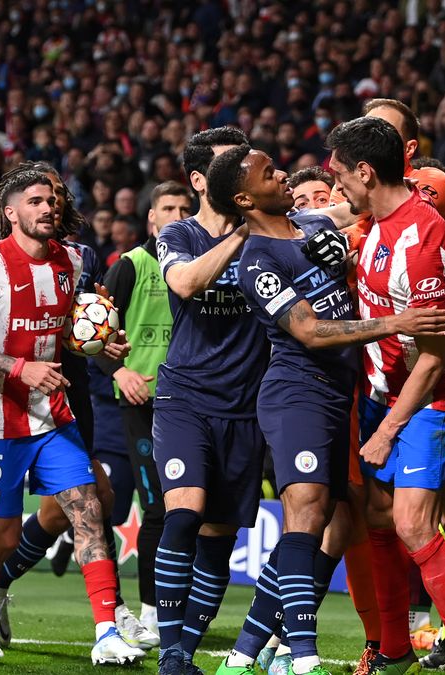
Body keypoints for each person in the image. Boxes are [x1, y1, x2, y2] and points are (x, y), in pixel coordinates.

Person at [206, 144, 445, 675]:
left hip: (349, 393)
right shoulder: (257, 260)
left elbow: (374, 220)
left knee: (324, 521)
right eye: (268, 172)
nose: (281, 175)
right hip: (299, 391)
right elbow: (309, 331)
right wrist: (395, 323)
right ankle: (303, 657)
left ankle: (243, 653)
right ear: (245, 197)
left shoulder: (311, 230)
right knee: (309, 514)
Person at [0, 167, 143, 666]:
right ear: (11, 213)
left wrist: (102, 348)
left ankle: (105, 629)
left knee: (89, 508)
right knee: (4, 537)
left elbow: (73, 334)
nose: (48, 207)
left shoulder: (73, 261)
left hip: (54, 418)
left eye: (51, 200)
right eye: (34, 201)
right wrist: (16, 366)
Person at [327, 116, 445, 675]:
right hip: (379, 393)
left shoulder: (420, 240)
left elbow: (431, 360)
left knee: (415, 525)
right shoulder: (375, 222)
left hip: (422, 404)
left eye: (341, 176)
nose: (338, 188)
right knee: (377, 521)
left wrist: (385, 430)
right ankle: (393, 648)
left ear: (366, 171)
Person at [150, 126, 268, 675]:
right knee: (184, 514)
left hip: (245, 407)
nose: (240, 176)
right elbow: (185, 284)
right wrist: (245, 234)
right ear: (200, 180)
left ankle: (187, 651)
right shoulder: (179, 233)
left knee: (219, 540)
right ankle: (171, 653)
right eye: (228, 168)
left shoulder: (270, 233)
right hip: (185, 398)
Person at [98, 180, 191, 635]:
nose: (176, 215)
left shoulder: (202, 266)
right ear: (151, 218)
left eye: (183, 208)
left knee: (188, 508)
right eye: (167, 208)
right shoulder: (130, 266)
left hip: (193, 402)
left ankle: (177, 605)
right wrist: (118, 371)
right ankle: (153, 613)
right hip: (143, 403)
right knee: (156, 509)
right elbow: (86, 332)